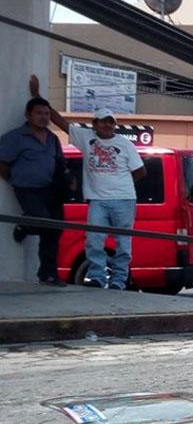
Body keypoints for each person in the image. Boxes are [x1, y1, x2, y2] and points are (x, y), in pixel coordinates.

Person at [68, 109, 146, 289]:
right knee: (94, 239)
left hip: (124, 199)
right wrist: (38, 96)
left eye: (111, 122)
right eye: (103, 121)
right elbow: (64, 125)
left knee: (123, 243)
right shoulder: (85, 137)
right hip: (97, 200)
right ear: (94, 124)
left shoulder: (125, 144)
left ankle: (119, 281)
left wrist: (121, 184)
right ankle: (97, 277)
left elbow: (141, 171)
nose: (107, 125)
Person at [0, 97, 68, 286]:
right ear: (28, 115)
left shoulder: (53, 139)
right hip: (27, 189)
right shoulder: (16, 137)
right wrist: (14, 179)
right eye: (39, 113)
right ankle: (25, 225)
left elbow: (60, 162)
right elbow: (2, 162)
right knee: (43, 222)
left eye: (46, 114)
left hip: (51, 191)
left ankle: (48, 274)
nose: (43, 117)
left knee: (54, 230)